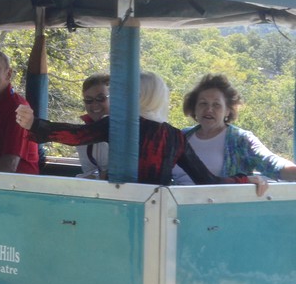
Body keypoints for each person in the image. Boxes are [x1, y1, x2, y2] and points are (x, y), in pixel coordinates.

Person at [15, 72, 269, 195]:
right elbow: (207, 180)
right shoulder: (174, 137)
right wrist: (245, 180)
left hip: (119, 203)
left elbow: (76, 136)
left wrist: (36, 125)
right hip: (156, 210)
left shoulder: (118, 125)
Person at [175, 74, 296, 183]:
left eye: (216, 105)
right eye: (203, 103)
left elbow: (271, 163)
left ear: (228, 111)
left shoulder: (240, 139)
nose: (209, 109)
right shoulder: (181, 137)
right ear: (194, 108)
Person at [76, 73, 110, 178]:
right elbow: (89, 171)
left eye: (101, 98)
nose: (95, 104)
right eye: (88, 100)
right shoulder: (83, 134)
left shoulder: (129, 130)